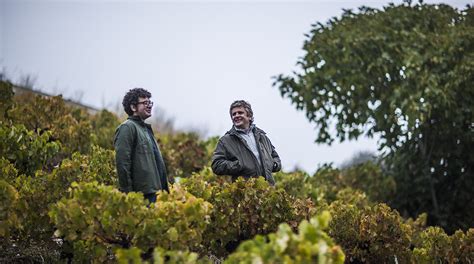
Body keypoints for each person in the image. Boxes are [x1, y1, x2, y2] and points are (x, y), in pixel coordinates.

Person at [114, 88, 169, 203]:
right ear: (133, 107)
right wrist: (129, 196)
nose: (149, 106)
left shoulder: (145, 129)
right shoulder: (127, 127)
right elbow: (122, 163)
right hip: (142, 196)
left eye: (150, 102)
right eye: (145, 103)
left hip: (155, 193)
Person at [211, 100, 281, 185]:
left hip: (268, 189)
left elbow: (275, 157)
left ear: (249, 116)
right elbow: (217, 165)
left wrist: (274, 165)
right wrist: (239, 165)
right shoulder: (225, 141)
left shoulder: (262, 136)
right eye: (234, 114)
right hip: (244, 192)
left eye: (240, 113)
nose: (236, 116)